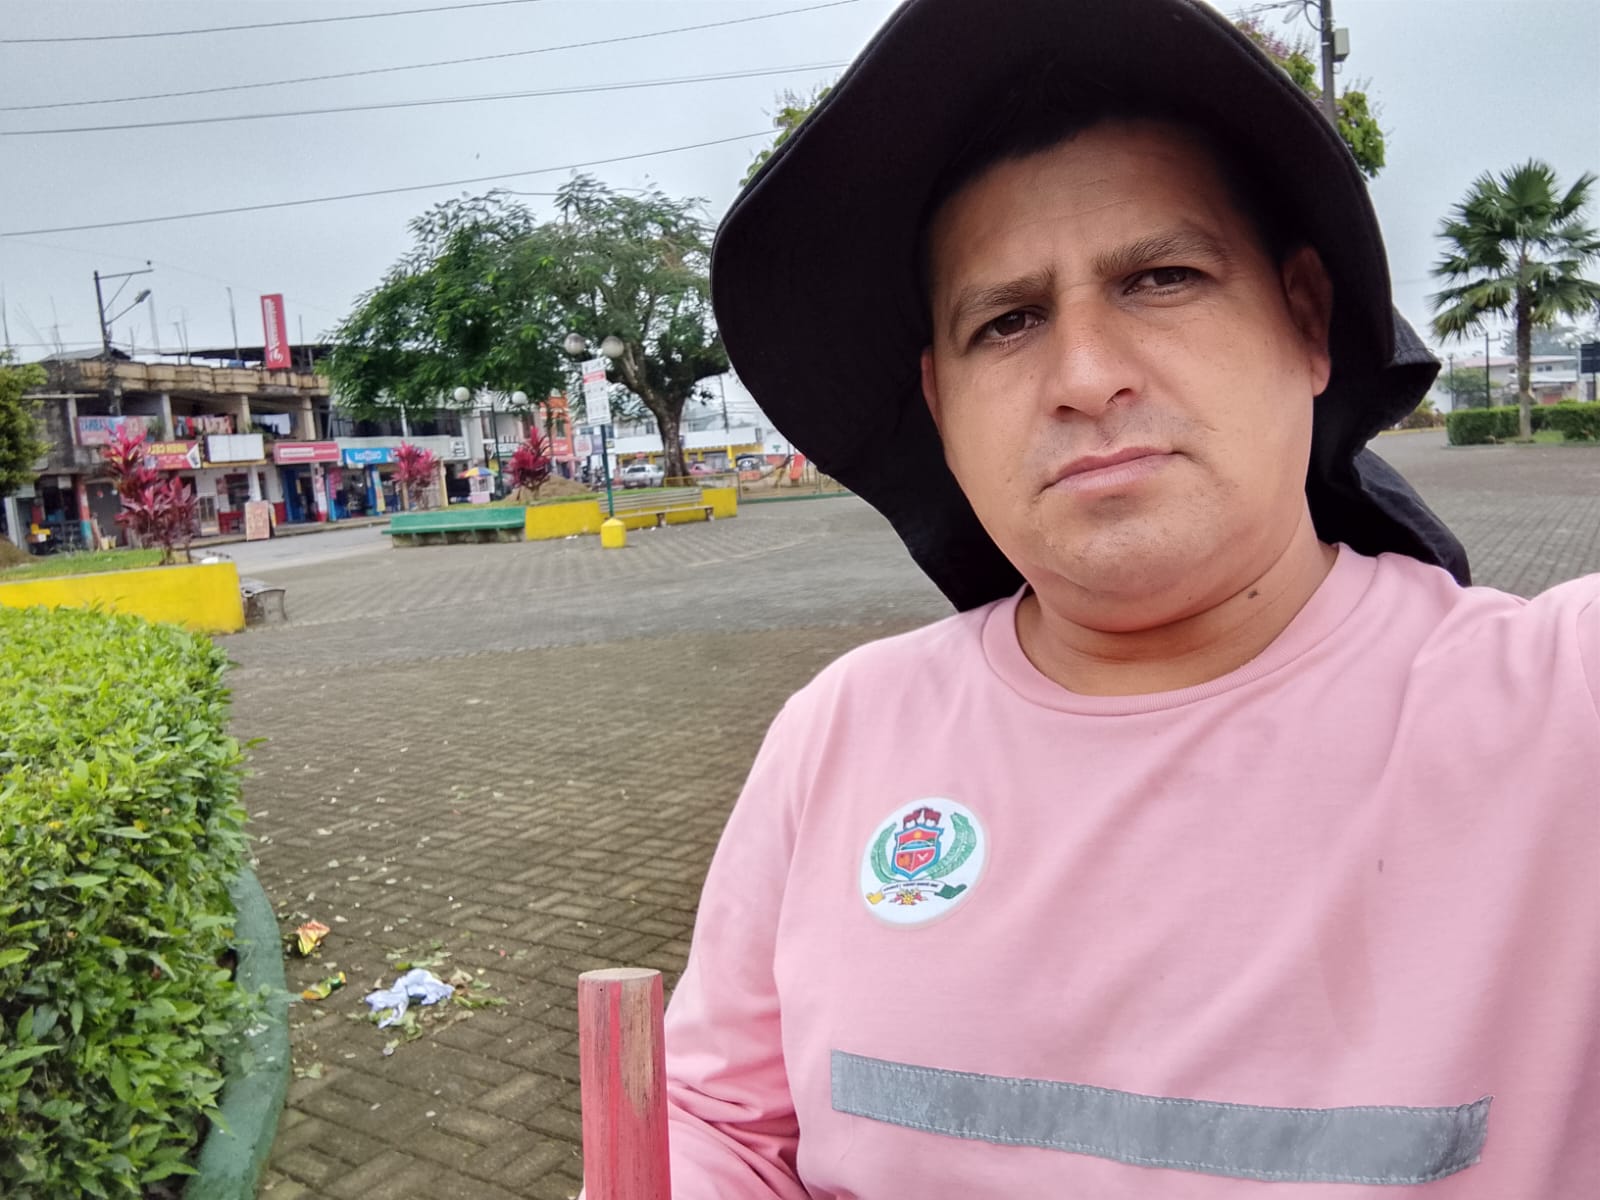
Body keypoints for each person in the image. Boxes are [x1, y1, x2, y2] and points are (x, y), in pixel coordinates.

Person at [655, 1, 1599, 1196]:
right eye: (1008, 321)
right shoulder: (842, 732)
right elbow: (720, 1122)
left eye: (1160, 278)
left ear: (1306, 322)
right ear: (941, 405)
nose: (1086, 376)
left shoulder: (1559, 712)